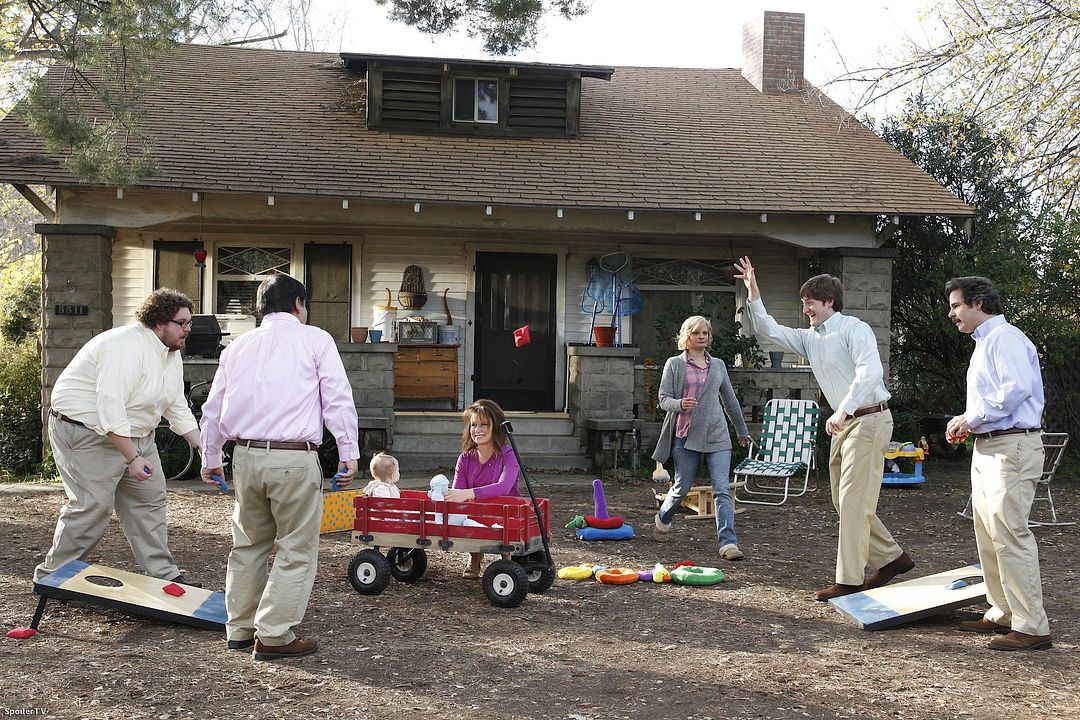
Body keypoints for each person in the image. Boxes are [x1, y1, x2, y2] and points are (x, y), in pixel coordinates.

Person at [734, 257, 913, 601]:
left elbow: (870, 372)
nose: (806, 309)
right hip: (845, 423)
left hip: (869, 418)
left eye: (810, 302)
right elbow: (769, 329)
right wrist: (752, 290)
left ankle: (849, 581)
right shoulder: (810, 338)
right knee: (841, 500)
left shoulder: (853, 329)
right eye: (803, 303)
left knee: (852, 501)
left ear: (829, 302)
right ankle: (892, 559)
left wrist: (843, 411)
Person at [199, 274, 359, 661]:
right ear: (299, 304)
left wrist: (211, 456)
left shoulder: (238, 346)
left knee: (248, 546)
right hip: (293, 456)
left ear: (260, 307)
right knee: (296, 549)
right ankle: (272, 634)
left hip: (246, 457)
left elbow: (214, 406)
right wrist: (348, 450)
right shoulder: (316, 339)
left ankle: (239, 628)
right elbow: (336, 398)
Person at [34, 289, 202, 587]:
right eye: (183, 323)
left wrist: (203, 447)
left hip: (139, 434)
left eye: (190, 323)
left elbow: (175, 405)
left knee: (149, 499)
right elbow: (110, 409)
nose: (188, 329)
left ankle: (165, 576)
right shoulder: (123, 347)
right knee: (92, 505)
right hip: (86, 432)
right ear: (161, 322)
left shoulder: (170, 354)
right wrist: (132, 458)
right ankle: (53, 577)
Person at [944, 276, 1052, 651]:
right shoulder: (986, 342)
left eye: (956, 305)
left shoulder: (1004, 338)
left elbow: (1016, 389)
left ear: (978, 303)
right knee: (988, 531)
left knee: (1010, 533)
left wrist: (971, 420)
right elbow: (995, 398)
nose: (952, 313)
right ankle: (1003, 612)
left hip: (1013, 448)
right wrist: (968, 420)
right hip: (991, 446)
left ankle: (1032, 626)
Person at [651, 315, 750, 560]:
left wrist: (742, 431)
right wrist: (680, 403)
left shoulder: (718, 365)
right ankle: (663, 517)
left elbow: (730, 400)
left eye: (705, 333)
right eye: (696, 333)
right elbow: (663, 399)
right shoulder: (674, 364)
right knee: (682, 486)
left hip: (717, 434)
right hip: (686, 435)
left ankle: (728, 544)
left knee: (721, 489)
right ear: (687, 337)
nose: (702, 336)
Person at [444, 399, 520, 578]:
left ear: (496, 427)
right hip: (476, 514)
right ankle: (475, 555)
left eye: (484, 424)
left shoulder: (508, 454)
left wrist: (469, 493)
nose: (477, 430)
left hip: (505, 513)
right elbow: (457, 492)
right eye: (473, 425)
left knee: (493, 513)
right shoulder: (465, 458)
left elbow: (503, 487)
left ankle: (506, 556)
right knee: (465, 512)